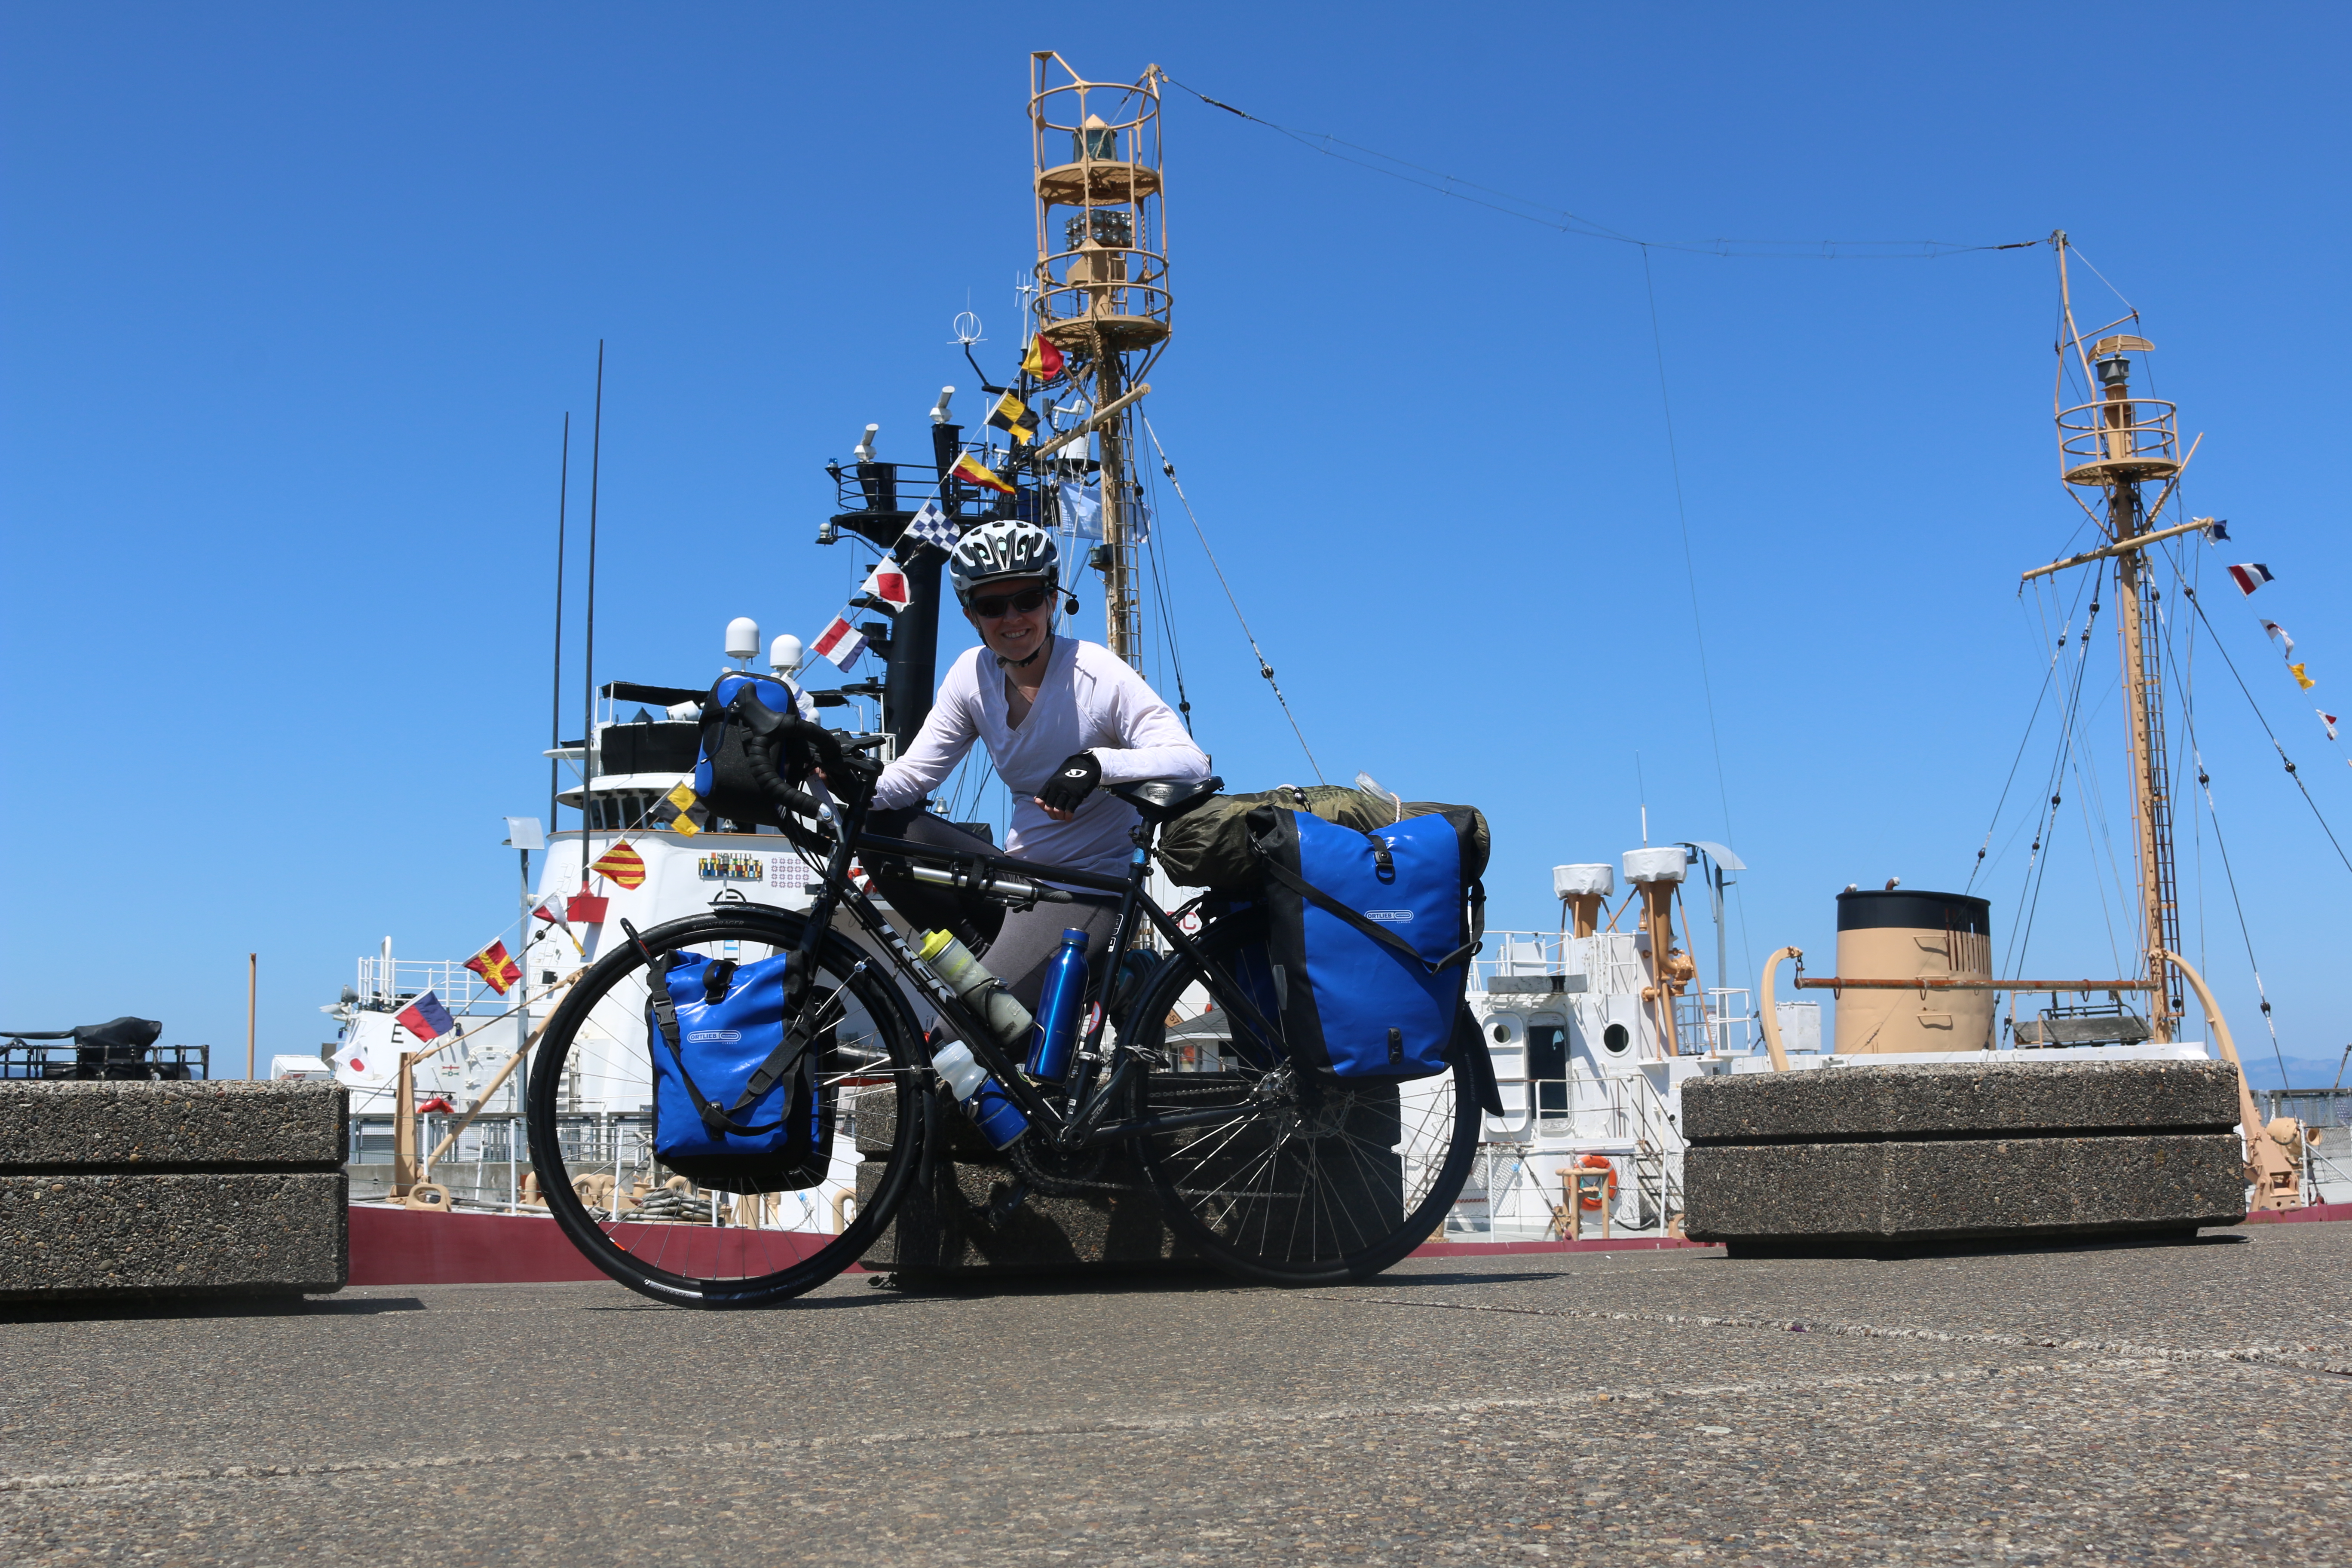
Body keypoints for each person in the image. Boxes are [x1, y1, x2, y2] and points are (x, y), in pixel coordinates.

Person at [861, 518, 1209, 1009]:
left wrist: (1096, 766)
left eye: (1026, 600)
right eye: (992, 606)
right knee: (877, 828)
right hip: (1016, 883)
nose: (1013, 618)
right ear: (971, 616)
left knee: (963, 1040)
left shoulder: (1095, 672)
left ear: (1050, 600)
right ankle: (1008, 982)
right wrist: (838, 781)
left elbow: (1192, 763)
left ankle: (1036, 993)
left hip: (1085, 893)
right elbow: (913, 777)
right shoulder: (970, 676)